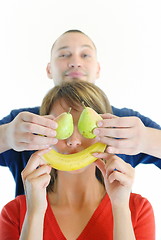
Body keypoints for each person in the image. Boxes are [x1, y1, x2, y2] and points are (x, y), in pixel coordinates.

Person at [0, 29, 161, 197]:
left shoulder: (126, 124)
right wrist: (5, 136)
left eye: (85, 55)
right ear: (49, 69)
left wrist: (147, 139)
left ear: (98, 69)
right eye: (63, 55)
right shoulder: (23, 125)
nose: (75, 62)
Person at [0, 81, 155, 240]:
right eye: (61, 127)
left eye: (84, 127)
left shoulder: (137, 209)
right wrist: (35, 212)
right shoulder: (15, 212)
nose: (73, 140)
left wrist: (120, 208)